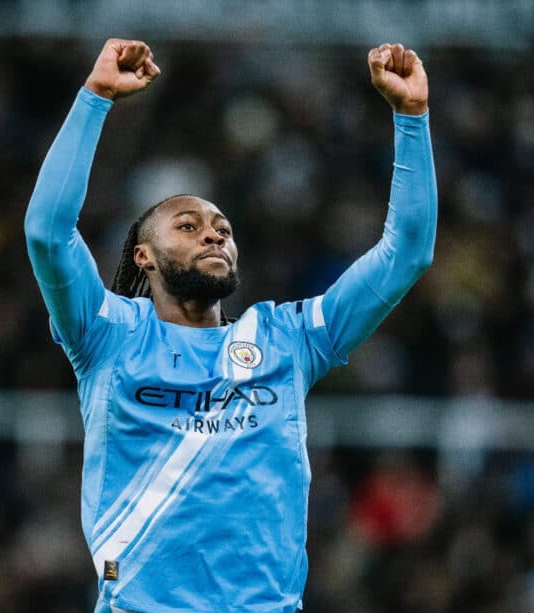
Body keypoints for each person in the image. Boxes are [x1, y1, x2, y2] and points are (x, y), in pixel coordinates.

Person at [24, 38, 437, 613]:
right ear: (143, 257)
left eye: (222, 228)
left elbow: (407, 252)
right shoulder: (108, 335)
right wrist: (94, 98)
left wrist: (412, 118)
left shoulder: (288, 340)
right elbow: (48, 233)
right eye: (187, 226)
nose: (214, 234)